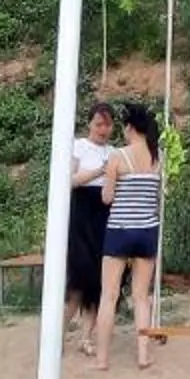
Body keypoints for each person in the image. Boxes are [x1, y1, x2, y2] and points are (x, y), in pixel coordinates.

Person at [93, 101, 164, 371]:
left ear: (131, 128)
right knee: (141, 297)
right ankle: (143, 355)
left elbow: (107, 197)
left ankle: (102, 359)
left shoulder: (117, 157)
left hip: (119, 230)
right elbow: (157, 198)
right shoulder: (158, 157)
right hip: (147, 230)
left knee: (109, 296)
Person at [64, 101, 118, 341]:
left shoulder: (115, 152)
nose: (103, 130)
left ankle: (87, 337)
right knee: (77, 279)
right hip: (81, 214)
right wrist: (99, 171)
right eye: (99, 124)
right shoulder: (78, 147)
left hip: (104, 215)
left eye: (107, 125)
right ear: (89, 124)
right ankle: (58, 334)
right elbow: (70, 180)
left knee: (98, 281)